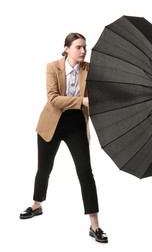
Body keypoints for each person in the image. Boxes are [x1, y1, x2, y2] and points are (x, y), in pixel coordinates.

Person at [19, 32, 108, 243]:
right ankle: (36, 205)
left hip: (76, 125)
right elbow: (53, 99)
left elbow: (103, 91)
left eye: (85, 47)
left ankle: (94, 225)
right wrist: (81, 101)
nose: (83, 51)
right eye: (78, 47)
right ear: (66, 48)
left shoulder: (89, 69)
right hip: (52, 123)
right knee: (44, 168)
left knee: (85, 172)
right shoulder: (52, 67)